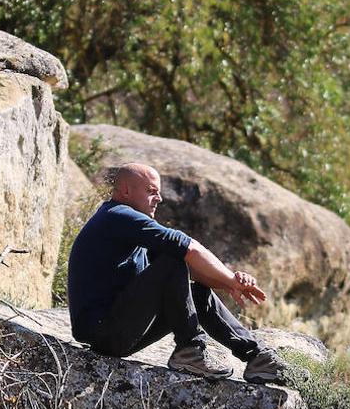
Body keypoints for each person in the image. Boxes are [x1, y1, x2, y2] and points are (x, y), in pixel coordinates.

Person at [67, 162, 291, 383]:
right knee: (173, 259)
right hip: (103, 332)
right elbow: (187, 249)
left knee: (198, 293)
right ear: (126, 190)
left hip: (120, 331)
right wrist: (230, 279)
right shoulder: (117, 215)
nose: (159, 198)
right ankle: (189, 350)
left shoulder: (129, 228)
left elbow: (191, 272)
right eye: (151, 191)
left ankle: (256, 357)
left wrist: (230, 283)